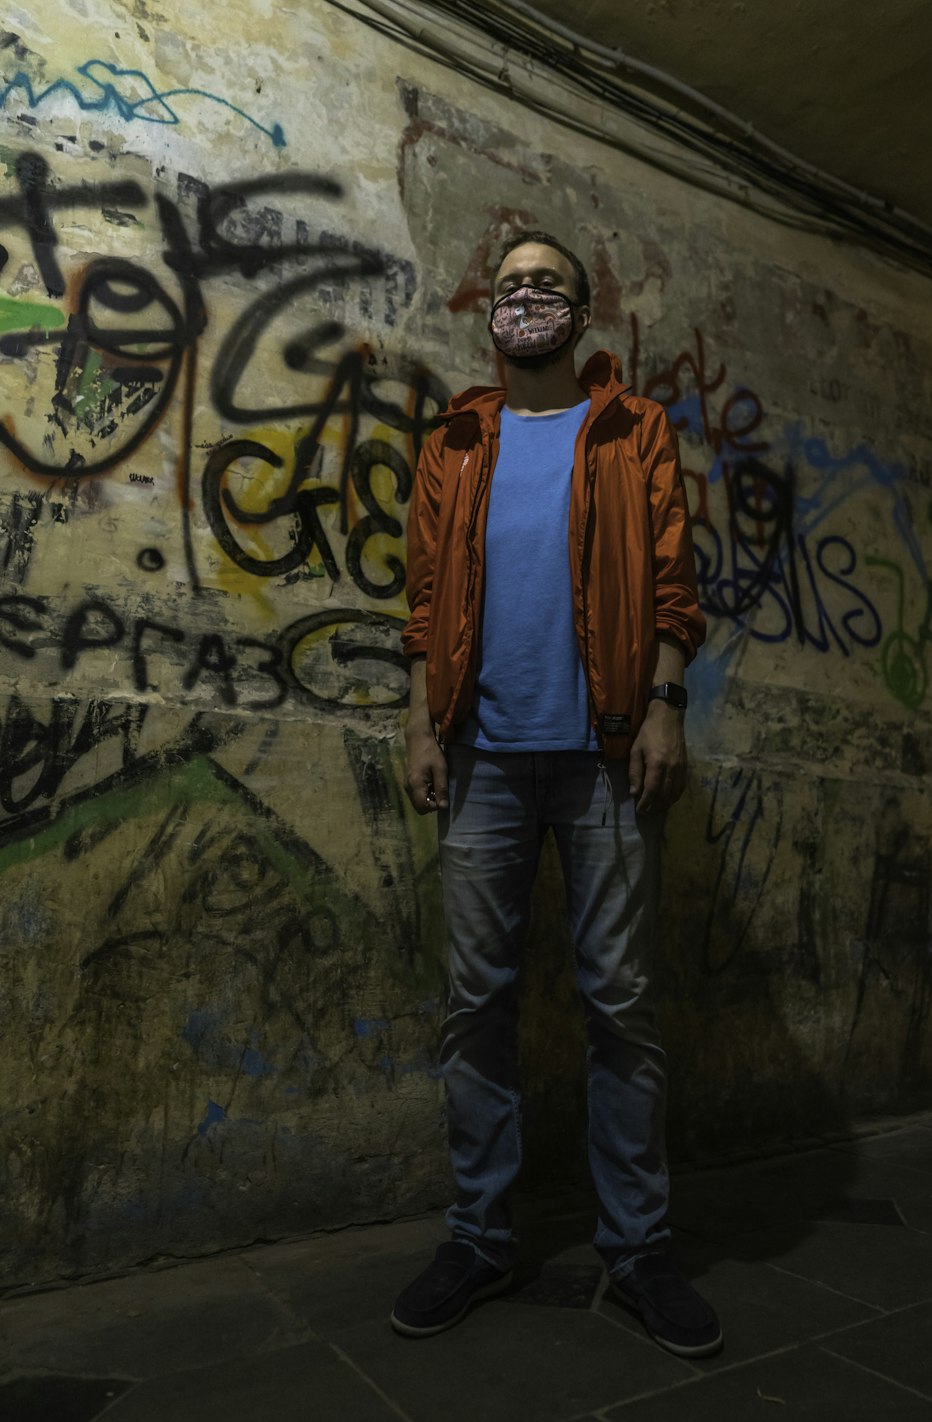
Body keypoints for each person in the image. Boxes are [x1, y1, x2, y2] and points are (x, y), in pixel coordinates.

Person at [391, 231, 722, 1358]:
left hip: (605, 750)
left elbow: (672, 578)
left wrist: (667, 706)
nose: (526, 295)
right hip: (476, 755)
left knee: (619, 1005)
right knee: (473, 1003)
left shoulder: (631, 431)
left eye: (550, 285)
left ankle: (637, 1251)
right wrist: (416, 721)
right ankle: (480, 1236)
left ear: (583, 316)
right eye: (513, 281)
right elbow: (427, 589)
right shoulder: (457, 436)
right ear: (490, 306)